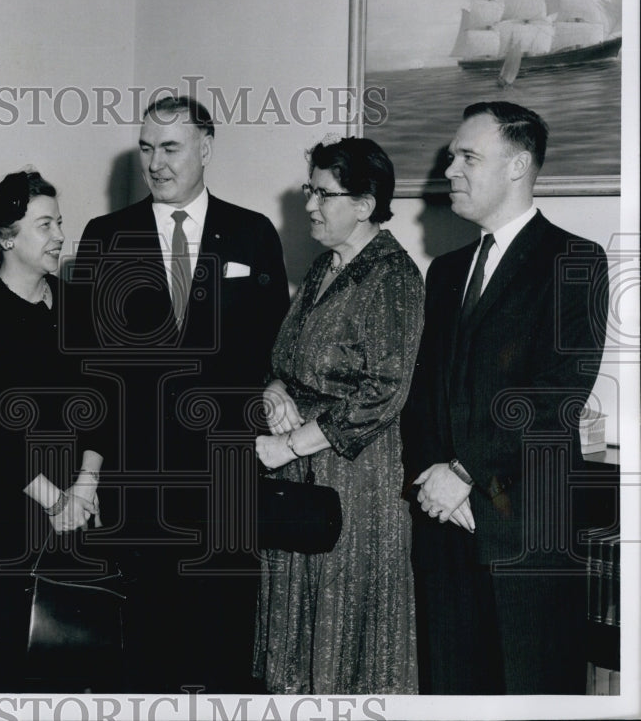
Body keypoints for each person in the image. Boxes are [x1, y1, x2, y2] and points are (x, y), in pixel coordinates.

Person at [71, 96, 290, 692]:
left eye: (170, 147)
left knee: (223, 642)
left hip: (226, 474)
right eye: (146, 149)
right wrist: (90, 472)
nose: (155, 163)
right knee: (143, 648)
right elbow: (92, 372)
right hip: (136, 482)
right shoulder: (106, 235)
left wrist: (274, 386)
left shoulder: (252, 233)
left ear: (206, 148)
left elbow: (277, 346)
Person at [403, 102, 609, 694]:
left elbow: (556, 395)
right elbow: (423, 393)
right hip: (444, 525)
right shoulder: (445, 271)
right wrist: (435, 478)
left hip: (524, 531)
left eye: (468, 157)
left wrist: (465, 471)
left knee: (531, 690)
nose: (450, 170)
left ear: (518, 166)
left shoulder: (576, 260)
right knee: (451, 690)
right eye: (452, 157)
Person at [253, 137, 423, 694]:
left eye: (324, 194)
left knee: (343, 634)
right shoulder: (325, 266)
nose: (310, 205)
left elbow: (385, 392)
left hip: (355, 484)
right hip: (301, 478)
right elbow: (283, 359)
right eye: (311, 190)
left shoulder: (393, 276)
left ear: (365, 204)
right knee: (296, 632)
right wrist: (275, 390)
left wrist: (290, 443)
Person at [0, 170, 106, 691]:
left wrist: (85, 484)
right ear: (6, 237)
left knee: (72, 662)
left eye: (59, 222)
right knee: (3, 666)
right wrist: (56, 502)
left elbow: (106, 401)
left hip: (80, 507)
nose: (60, 235)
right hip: (8, 517)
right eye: (45, 225)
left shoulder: (74, 303)